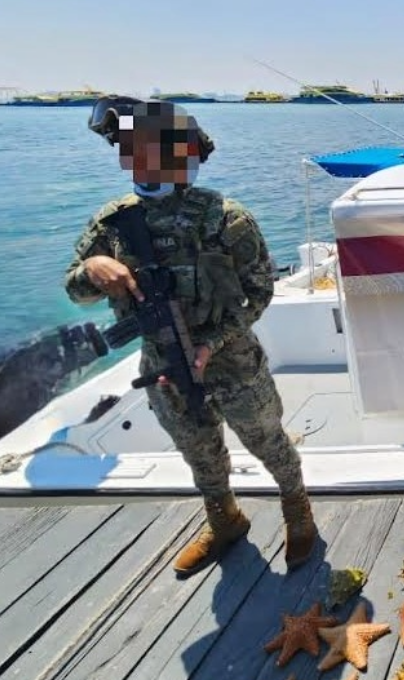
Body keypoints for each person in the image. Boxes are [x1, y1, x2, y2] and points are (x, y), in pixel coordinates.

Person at [64, 96, 318, 576]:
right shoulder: (113, 222)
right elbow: (75, 290)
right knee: (199, 451)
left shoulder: (225, 217)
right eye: (133, 149)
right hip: (163, 368)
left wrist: (212, 344)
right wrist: (92, 269)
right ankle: (225, 520)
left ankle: (297, 510)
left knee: (269, 443)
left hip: (234, 365)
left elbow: (259, 293)